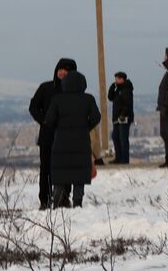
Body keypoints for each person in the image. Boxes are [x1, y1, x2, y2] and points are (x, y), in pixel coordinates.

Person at [44, 71, 101, 208]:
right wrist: (85, 127)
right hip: (81, 141)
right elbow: (96, 118)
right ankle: (77, 203)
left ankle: (57, 202)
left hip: (61, 142)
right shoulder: (88, 99)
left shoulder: (57, 99)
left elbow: (49, 120)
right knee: (79, 173)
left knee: (60, 173)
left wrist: (59, 127)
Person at [30, 58, 77, 207]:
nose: (63, 72)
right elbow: (33, 107)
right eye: (60, 69)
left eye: (67, 70)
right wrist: (45, 120)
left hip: (67, 136)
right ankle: (44, 200)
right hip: (48, 136)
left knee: (66, 168)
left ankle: (63, 198)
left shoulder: (75, 91)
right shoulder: (46, 88)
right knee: (46, 169)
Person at [107, 71, 134, 165]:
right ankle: (118, 158)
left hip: (124, 118)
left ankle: (124, 159)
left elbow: (127, 104)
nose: (116, 80)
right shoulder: (118, 89)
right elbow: (110, 98)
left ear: (122, 79)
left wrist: (123, 114)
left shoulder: (126, 89)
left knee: (123, 139)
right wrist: (111, 88)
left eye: (117, 79)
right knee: (115, 137)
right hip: (116, 119)